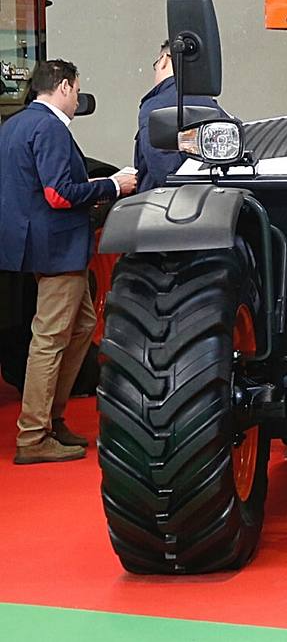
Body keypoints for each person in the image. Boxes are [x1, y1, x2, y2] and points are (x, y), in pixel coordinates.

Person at [0, 60, 136, 464]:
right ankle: (34, 433)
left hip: (36, 245)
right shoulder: (51, 128)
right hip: (58, 247)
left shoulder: (15, 126)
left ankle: (51, 419)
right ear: (62, 87)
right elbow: (59, 194)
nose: (78, 99)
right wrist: (113, 185)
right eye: (76, 90)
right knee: (51, 338)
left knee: (81, 325)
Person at [134, 39, 225, 192]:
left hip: (166, 207)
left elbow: (164, 172)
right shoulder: (212, 106)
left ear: (163, 60)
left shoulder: (156, 106)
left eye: (155, 66)